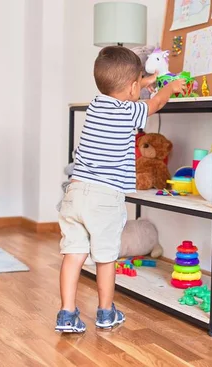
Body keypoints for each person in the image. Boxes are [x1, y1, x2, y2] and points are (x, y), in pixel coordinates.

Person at [56, 46, 186, 332]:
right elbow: (156, 105)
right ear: (131, 89)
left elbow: (127, 87)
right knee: (105, 257)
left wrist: (146, 81)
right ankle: (105, 312)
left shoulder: (96, 104)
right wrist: (170, 87)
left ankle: (66, 314)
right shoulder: (130, 110)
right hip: (104, 198)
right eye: (138, 86)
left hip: (75, 193)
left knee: (74, 253)